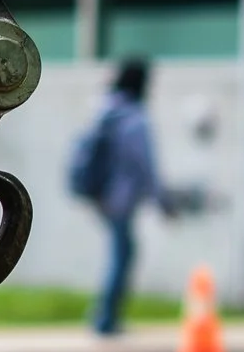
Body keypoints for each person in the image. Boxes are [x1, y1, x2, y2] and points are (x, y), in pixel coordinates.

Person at [67, 56, 176, 336]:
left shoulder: (105, 109)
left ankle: (105, 317)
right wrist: (163, 201)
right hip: (120, 198)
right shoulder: (135, 118)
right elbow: (145, 165)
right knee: (123, 254)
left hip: (102, 195)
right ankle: (105, 319)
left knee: (122, 252)